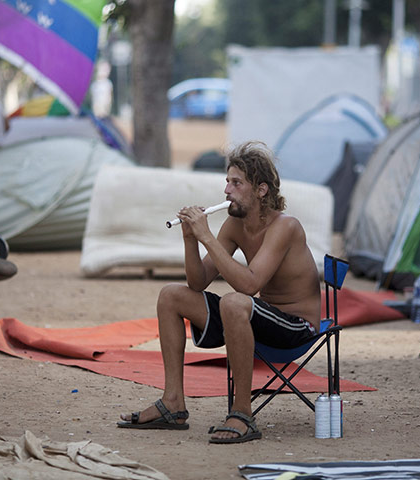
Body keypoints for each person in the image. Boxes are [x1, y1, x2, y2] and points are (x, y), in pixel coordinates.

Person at [117, 141, 322, 444]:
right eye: (227, 182)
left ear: (261, 190)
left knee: (235, 302)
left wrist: (207, 235)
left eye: (236, 183)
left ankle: (242, 413)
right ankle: (173, 402)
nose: (227, 191)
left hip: (297, 327)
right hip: (257, 318)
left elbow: (250, 285)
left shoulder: (286, 227)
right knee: (171, 296)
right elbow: (198, 283)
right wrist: (191, 239)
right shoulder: (235, 225)